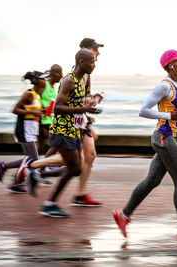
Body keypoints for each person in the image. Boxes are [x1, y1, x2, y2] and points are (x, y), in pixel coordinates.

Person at [112, 50, 177, 242]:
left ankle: (123, 216)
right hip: (164, 137)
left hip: (172, 137)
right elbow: (143, 111)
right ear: (171, 65)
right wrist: (166, 116)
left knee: (152, 181)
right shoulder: (164, 86)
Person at [37, 49, 101, 218]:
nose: (94, 65)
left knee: (75, 169)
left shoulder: (80, 81)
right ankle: (48, 203)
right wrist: (84, 108)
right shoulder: (69, 80)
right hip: (61, 131)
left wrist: (87, 112)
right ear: (81, 62)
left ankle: (38, 175)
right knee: (74, 169)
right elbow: (58, 108)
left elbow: (75, 104)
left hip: (73, 130)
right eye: (92, 62)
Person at [0, 71, 49, 193]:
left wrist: (42, 111)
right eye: (43, 79)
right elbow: (15, 109)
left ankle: (13, 180)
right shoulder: (29, 94)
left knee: (30, 158)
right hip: (24, 130)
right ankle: (5, 168)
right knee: (33, 159)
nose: (45, 81)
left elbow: (33, 110)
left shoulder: (37, 95)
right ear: (36, 81)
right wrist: (34, 113)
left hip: (31, 130)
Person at [71, 37, 104, 207]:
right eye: (95, 49)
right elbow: (71, 100)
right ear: (85, 51)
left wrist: (92, 100)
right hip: (74, 120)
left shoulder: (86, 75)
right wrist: (89, 104)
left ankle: (80, 194)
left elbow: (81, 99)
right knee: (74, 158)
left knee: (89, 154)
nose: (98, 53)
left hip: (81, 118)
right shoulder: (78, 74)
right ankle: (34, 168)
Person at [38, 64, 63, 156]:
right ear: (54, 74)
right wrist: (41, 108)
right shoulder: (44, 84)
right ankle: (40, 165)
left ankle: (40, 166)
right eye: (60, 74)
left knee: (44, 146)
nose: (61, 76)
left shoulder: (53, 87)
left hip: (50, 119)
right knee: (55, 142)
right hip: (42, 120)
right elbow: (35, 96)